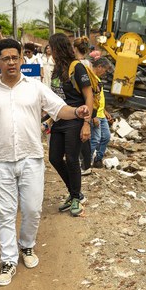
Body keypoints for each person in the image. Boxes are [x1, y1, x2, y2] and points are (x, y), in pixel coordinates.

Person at [0, 39, 90, 286]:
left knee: (32, 209)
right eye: (6, 58)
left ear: (22, 59)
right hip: (0, 160)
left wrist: (77, 112)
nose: (11, 62)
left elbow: (59, 109)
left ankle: (26, 245)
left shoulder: (35, 87)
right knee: (4, 212)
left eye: (16, 57)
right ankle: (8, 260)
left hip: (31, 158)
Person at [48, 33, 93, 217]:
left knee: (72, 159)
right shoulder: (57, 69)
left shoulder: (78, 67)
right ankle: (76, 193)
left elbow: (88, 96)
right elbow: (57, 99)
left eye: (51, 47)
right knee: (54, 158)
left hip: (76, 119)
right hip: (60, 120)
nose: (49, 51)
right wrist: (49, 120)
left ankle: (76, 197)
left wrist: (86, 124)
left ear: (59, 48)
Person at [73, 36, 94, 176]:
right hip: (87, 102)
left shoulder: (76, 65)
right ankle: (87, 164)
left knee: (82, 136)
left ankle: (85, 165)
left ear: (74, 48)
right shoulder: (88, 63)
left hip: (80, 103)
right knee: (85, 136)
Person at [90, 57, 114, 168]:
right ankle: (85, 160)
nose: (105, 73)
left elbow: (99, 98)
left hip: (101, 114)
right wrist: (93, 116)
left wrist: (104, 111)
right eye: (104, 70)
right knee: (95, 139)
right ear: (99, 67)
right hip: (95, 115)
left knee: (106, 137)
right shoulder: (91, 79)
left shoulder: (98, 80)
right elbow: (91, 99)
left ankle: (98, 159)